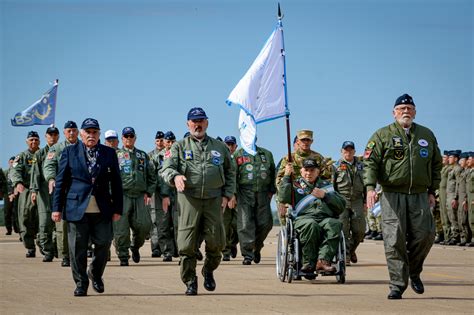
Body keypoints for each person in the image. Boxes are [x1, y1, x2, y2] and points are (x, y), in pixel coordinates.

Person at [364, 93, 442, 299]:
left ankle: (414, 272)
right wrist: (370, 188)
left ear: (415, 112)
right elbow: (370, 163)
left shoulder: (426, 135)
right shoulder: (382, 135)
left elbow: (436, 164)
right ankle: (397, 284)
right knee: (394, 239)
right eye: (401, 109)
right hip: (392, 194)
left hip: (419, 194)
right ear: (394, 113)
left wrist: (432, 191)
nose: (405, 112)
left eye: (409, 108)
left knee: (426, 235)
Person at [161, 107, 235, 296]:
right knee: (186, 245)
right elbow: (166, 169)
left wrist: (227, 195)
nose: (198, 124)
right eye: (194, 121)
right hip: (189, 199)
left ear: (207, 123)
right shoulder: (179, 146)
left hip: (214, 199)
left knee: (217, 242)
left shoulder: (220, 147)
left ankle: (208, 270)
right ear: (188, 124)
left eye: (201, 120)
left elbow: (231, 171)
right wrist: (175, 176)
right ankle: (190, 281)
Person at [51, 118, 123, 297]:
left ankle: (95, 274)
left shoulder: (109, 153)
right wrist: (56, 208)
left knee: (104, 244)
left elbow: (116, 183)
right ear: (81, 134)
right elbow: (61, 182)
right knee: (77, 249)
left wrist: (117, 209)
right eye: (88, 132)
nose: (91, 135)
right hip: (76, 208)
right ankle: (81, 283)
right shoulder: (69, 152)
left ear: (99, 134)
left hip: (103, 208)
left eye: (94, 132)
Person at [278, 158, 345, 273]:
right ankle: (308, 262)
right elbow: (283, 198)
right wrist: (286, 176)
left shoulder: (326, 186)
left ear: (318, 172)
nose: (309, 173)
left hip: (325, 218)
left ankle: (323, 262)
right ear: (302, 171)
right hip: (303, 219)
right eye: (306, 170)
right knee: (311, 225)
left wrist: (326, 196)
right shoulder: (295, 185)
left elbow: (341, 205)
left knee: (334, 224)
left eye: (312, 170)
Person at [114, 127, 156, 266]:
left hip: (139, 196)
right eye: (126, 136)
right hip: (122, 195)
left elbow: (152, 176)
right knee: (121, 229)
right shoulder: (116, 155)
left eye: (131, 136)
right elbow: (110, 177)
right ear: (122, 138)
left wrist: (149, 192)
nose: (129, 138)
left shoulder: (143, 155)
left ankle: (135, 246)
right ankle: (123, 256)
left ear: (135, 138)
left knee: (144, 226)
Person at [43, 120, 80, 267]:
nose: (71, 133)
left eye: (74, 130)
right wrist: (51, 179)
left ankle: (79, 252)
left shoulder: (83, 147)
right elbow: (49, 165)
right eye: (68, 131)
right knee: (63, 225)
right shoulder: (57, 148)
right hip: (64, 190)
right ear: (64, 133)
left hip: (80, 190)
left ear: (78, 132)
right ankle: (65, 255)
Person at [233, 141, 276, 265]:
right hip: (244, 192)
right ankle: (248, 254)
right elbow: (233, 174)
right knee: (245, 224)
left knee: (266, 223)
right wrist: (233, 195)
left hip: (263, 193)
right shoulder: (238, 154)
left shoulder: (266, 154)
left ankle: (256, 247)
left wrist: (272, 191)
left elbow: (273, 172)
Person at [332, 141, 365, 265]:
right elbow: (333, 185)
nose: (348, 152)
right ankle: (345, 256)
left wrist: (366, 201)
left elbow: (366, 184)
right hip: (342, 200)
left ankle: (351, 250)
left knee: (360, 230)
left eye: (351, 150)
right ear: (341, 152)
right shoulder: (335, 166)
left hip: (357, 199)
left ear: (354, 152)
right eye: (346, 150)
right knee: (344, 229)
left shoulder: (362, 166)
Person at [30, 125, 60, 262]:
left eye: (55, 134)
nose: (52, 137)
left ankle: (58, 248)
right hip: (43, 191)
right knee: (45, 222)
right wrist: (34, 191)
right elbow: (35, 174)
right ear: (46, 137)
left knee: (59, 223)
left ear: (58, 136)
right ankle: (47, 250)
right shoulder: (39, 154)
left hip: (60, 191)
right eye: (50, 135)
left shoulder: (62, 150)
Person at [10, 131, 41, 257]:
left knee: (42, 219)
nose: (33, 142)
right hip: (26, 189)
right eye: (31, 139)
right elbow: (15, 170)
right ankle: (30, 247)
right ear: (27, 141)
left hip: (41, 189)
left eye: (36, 139)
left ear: (39, 141)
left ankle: (43, 244)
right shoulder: (21, 156)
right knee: (25, 218)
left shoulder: (44, 153)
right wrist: (18, 183)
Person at [148, 131, 176, 261]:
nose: (170, 144)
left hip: (177, 194)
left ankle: (180, 250)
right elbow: (152, 176)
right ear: (163, 142)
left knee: (178, 224)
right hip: (160, 195)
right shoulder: (156, 157)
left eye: (172, 141)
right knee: (162, 224)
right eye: (167, 141)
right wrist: (150, 192)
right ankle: (167, 251)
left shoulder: (179, 155)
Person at [148, 130, 166, 258]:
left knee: (166, 221)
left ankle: (168, 248)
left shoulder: (170, 154)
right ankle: (155, 247)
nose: (160, 142)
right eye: (158, 140)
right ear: (155, 141)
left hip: (168, 191)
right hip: (155, 192)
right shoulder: (149, 155)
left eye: (162, 140)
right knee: (154, 220)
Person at [222, 136, 239, 261]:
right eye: (227, 144)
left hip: (240, 197)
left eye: (231, 144)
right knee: (225, 224)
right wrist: (229, 195)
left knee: (238, 225)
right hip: (225, 196)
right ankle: (226, 251)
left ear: (235, 147)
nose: (229, 147)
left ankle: (232, 243)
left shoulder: (240, 159)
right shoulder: (220, 159)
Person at [446, 150, 462, 245]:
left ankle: (456, 236)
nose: (449, 159)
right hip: (448, 195)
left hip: (453, 196)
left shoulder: (458, 169)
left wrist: (455, 197)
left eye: (451, 157)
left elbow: (458, 184)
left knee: (454, 217)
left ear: (456, 159)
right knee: (450, 217)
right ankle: (453, 235)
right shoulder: (452, 169)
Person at [437, 151, 451, 244]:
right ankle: (445, 236)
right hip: (440, 194)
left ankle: (449, 236)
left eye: (445, 158)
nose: (443, 159)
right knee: (442, 216)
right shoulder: (442, 169)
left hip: (447, 194)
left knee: (448, 216)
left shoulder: (450, 169)